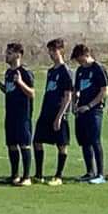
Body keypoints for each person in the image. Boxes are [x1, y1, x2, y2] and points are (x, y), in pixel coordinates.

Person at [0, 43, 35, 186]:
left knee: (24, 145)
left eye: (9, 53)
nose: (6, 56)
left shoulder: (25, 72)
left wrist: (20, 82)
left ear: (18, 55)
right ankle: (14, 175)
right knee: (11, 145)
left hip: (22, 115)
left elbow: (32, 93)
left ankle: (26, 177)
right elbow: (7, 90)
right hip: (10, 113)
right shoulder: (8, 72)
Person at [33, 38, 73, 186]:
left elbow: (68, 96)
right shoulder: (51, 71)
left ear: (61, 51)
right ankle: (39, 174)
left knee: (61, 144)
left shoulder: (65, 71)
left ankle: (58, 176)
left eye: (54, 50)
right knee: (37, 141)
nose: (51, 53)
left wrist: (60, 116)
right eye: (49, 51)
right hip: (46, 111)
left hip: (59, 113)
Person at [72, 43, 108, 184]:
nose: (78, 61)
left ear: (86, 55)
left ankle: (100, 174)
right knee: (84, 142)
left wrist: (89, 106)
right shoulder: (80, 70)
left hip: (94, 110)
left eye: (79, 58)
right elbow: (76, 90)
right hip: (81, 110)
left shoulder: (98, 68)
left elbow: (104, 91)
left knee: (95, 140)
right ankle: (89, 172)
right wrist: (75, 104)